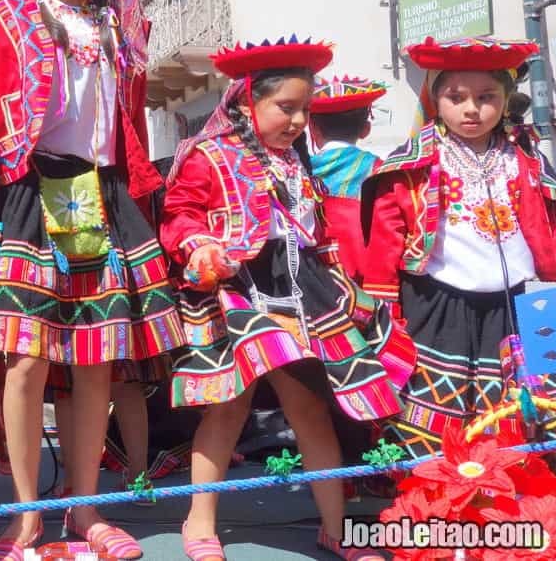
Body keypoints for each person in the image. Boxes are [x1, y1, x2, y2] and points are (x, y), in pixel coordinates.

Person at [0, 0, 183, 561]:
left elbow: (131, 124)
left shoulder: (121, 24)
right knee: (24, 361)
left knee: (97, 360)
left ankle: (86, 510)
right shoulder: (7, 19)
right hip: (30, 191)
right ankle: (25, 516)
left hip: (101, 193)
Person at [160, 37, 413, 561]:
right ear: (247, 101)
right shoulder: (208, 155)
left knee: (311, 409)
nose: (298, 120)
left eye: (304, 109)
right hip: (238, 290)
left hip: (302, 289)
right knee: (229, 408)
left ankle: (336, 529)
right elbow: (179, 212)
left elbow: (311, 231)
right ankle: (198, 520)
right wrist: (201, 245)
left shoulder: (297, 163)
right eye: (286, 107)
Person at [362, 36, 556, 458]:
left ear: (505, 100)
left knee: (528, 403)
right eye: (457, 97)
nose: (472, 109)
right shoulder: (413, 164)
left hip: (520, 303)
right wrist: (385, 311)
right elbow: (386, 240)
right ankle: (435, 503)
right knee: (435, 416)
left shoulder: (525, 159)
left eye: (487, 97)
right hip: (438, 305)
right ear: (436, 100)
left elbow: (551, 229)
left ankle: (513, 495)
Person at [308, 76, 387, 281]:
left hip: (313, 277)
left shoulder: (296, 171)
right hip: (366, 275)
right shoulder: (380, 170)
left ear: (313, 129)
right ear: (365, 129)